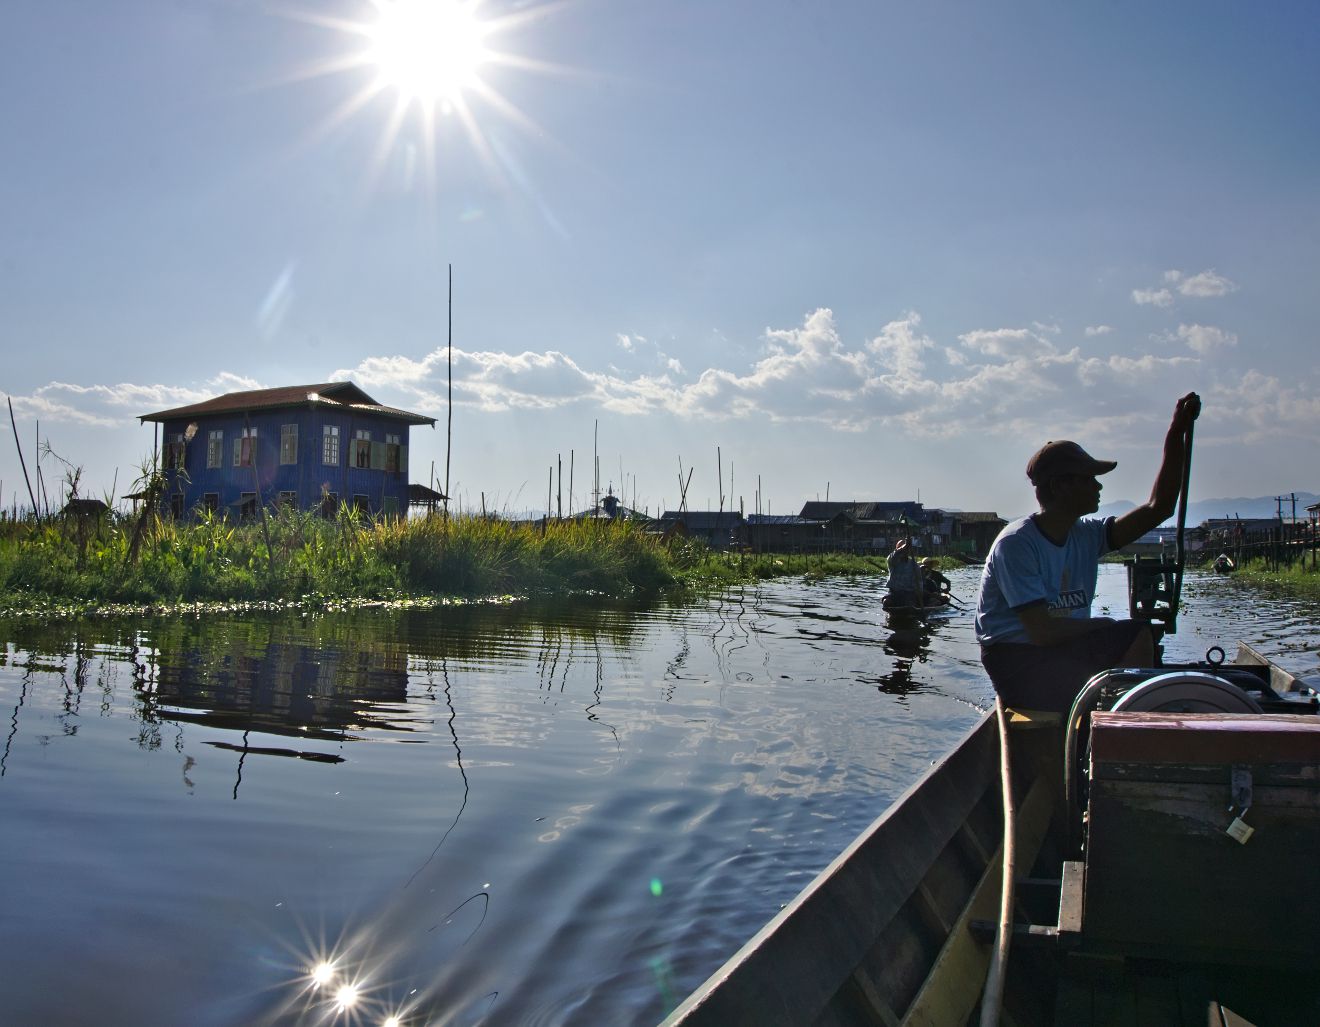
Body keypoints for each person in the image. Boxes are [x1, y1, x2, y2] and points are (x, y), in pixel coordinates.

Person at [974, 392, 1201, 713]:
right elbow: (1042, 631)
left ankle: (1125, 715)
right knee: (1134, 634)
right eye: (1089, 479)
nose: (1099, 487)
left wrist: (1177, 430)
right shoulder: (1017, 544)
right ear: (1059, 487)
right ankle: (1129, 725)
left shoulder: (1086, 535)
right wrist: (1105, 625)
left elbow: (1158, 507)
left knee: (1140, 635)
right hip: (1019, 665)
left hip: (1059, 655)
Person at [884, 537, 924, 609]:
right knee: (886, 602)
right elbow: (896, 554)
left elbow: (919, 581)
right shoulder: (892, 560)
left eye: (906, 549)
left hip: (908, 593)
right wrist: (905, 545)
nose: (904, 551)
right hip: (894, 592)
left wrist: (919, 594)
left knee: (910, 605)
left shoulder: (914, 565)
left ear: (909, 551)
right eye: (902, 550)